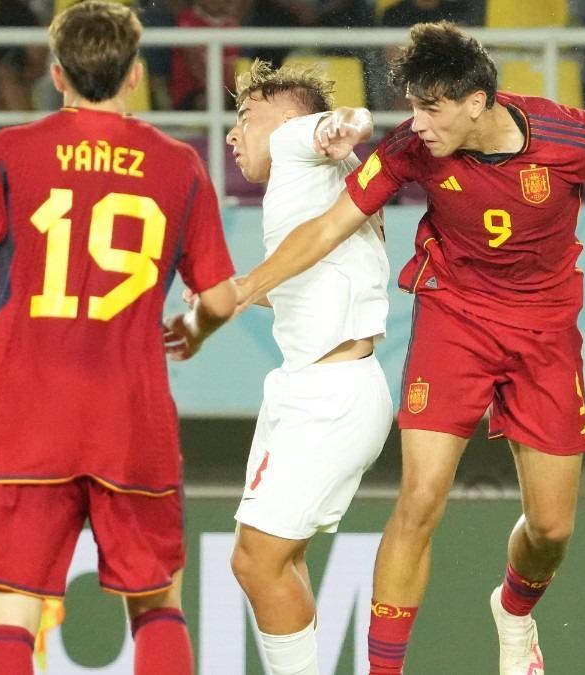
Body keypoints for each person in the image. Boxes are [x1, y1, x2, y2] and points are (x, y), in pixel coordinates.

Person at [234, 21, 585, 675]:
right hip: (454, 320)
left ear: (476, 101)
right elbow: (331, 224)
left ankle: (515, 610)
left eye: (429, 107)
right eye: (411, 104)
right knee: (419, 498)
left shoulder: (567, 138)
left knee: (550, 529)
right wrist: (247, 286)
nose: (416, 121)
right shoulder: (413, 147)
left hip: (545, 333)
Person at [0, 3, 240, 673]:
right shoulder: (180, 165)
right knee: (155, 601)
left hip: (28, 415)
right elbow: (222, 299)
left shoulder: (11, 151)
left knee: (11, 606)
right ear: (136, 74)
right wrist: (195, 330)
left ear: (56, 75)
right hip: (132, 414)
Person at [224, 59, 391, 675]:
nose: (232, 135)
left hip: (332, 392)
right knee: (276, 559)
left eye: (245, 117)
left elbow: (351, 118)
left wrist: (340, 125)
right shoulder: (317, 184)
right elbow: (313, 279)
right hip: (307, 384)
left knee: (254, 560)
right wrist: (236, 290)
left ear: (292, 119)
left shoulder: (303, 144)